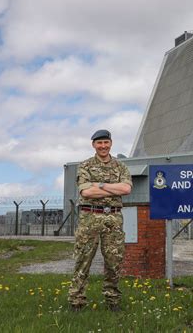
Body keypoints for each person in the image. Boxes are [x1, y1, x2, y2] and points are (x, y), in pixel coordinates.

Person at [68, 129, 132, 312]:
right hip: (90, 217)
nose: (103, 146)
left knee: (114, 261)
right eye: (99, 143)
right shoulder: (85, 166)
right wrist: (114, 188)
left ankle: (113, 301)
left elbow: (126, 189)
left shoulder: (121, 167)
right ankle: (76, 301)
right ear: (93, 145)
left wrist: (100, 185)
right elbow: (86, 192)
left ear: (111, 143)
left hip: (113, 218)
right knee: (83, 260)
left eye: (106, 142)